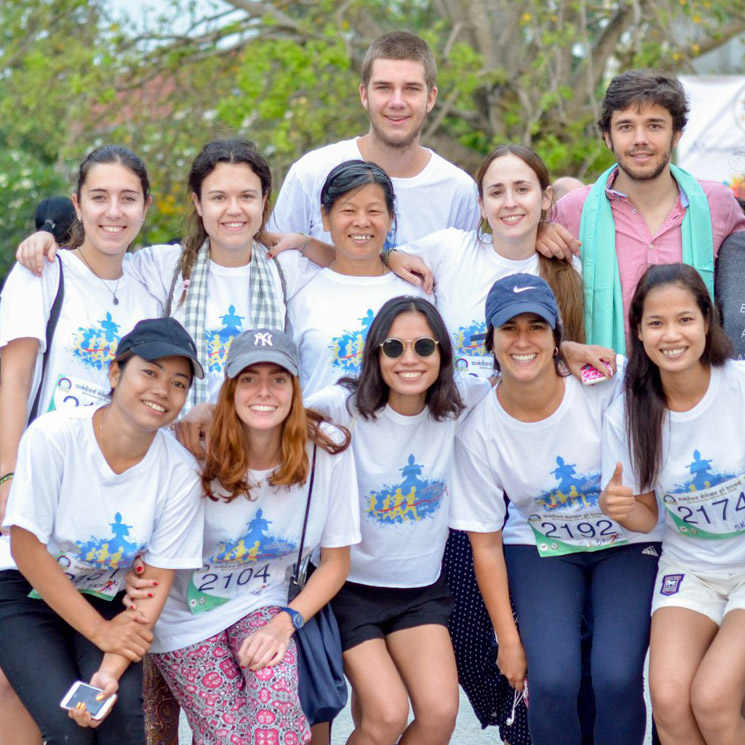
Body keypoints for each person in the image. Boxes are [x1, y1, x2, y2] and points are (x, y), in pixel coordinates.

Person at [452, 274, 661, 745]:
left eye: (536, 327)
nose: (523, 340)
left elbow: (661, 377)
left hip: (627, 542)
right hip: (542, 547)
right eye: (509, 329)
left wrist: (575, 352)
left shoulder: (604, 383)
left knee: (615, 677)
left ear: (555, 337)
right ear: (491, 340)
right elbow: (484, 542)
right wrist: (508, 640)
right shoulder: (479, 427)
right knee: (552, 681)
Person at [0, 144, 162, 745]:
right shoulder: (43, 273)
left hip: (111, 536)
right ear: (77, 204)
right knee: (32, 693)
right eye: (99, 197)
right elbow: (13, 382)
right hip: (41, 503)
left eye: (127, 198)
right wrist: (8, 480)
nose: (113, 212)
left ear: (147, 207)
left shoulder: (151, 284)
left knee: (106, 711)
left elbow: (236, 224)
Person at [128, 328, 360, 744]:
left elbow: (336, 563)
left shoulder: (326, 451)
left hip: (262, 604)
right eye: (249, 378)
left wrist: (285, 623)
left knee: (275, 717)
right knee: (231, 736)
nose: (264, 392)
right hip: (186, 617)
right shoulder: (190, 453)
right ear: (229, 390)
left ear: (295, 387)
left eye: (278, 378)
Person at [0, 317, 205, 745]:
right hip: (22, 588)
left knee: (120, 719)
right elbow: (25, 547)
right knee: (65, 727)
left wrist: (108, 673)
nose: (162, 391)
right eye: (149, 372)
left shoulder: (181, 472)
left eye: (179, 383)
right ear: (115, 373)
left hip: (107, 594)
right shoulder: (55, 436)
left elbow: (154, 583)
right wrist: (101, 633)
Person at [306, 296, 492, 745]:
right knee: (386, 715)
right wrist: (204, 413)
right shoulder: (343, 405)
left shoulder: (459, 399)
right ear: (375, 354)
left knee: (440, 714)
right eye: (394, 348)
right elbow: (269, 409)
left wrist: (571, 352)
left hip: (420, 590)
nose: (409, 360)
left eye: (424, 348)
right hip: (348, 588)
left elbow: (525, 369)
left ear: (443, 354)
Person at [599, 263, 745, 745]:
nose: (671, 335)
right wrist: (620, 509)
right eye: (656, 323)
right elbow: (647, 518)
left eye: (685, 319)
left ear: (708, 319)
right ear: (638, 332)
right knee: (668, 700)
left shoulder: (739, 385)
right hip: (692, 566)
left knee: (712, 697)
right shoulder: (629, 409)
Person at [541, 70, 745, 352]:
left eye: (654, 125)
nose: (640, 139)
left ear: (676, 135)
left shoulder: (716, 203)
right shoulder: (572, 211)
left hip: (697, 384)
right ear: (607, 137)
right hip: (606, 387)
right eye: (626, 126)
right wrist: (537, 232)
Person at [268, 31, 480, 247]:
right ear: (364, 95)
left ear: (431, 98)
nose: (397, 102)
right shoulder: (311, 174)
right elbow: (276, 265)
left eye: (411, 89)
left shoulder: (460, 193)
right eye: (384, 88)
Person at [274, 160, 428, 395]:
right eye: (348, 210)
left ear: (391, 219)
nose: (362, 222)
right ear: (325, 217)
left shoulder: (417, 292)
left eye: (374, 211)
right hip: (318, 430)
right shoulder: (300, 292)